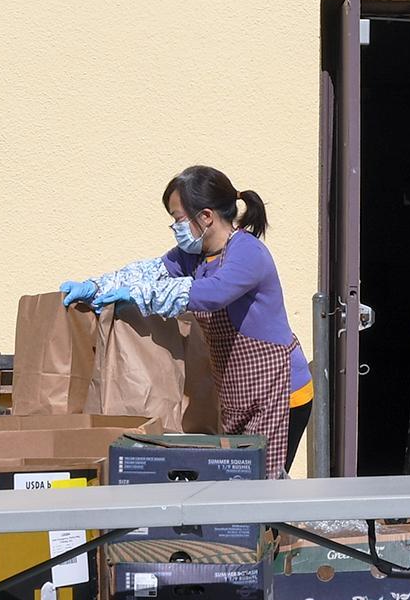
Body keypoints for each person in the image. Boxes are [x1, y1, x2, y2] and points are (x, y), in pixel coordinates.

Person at [65, 167, 312, 476]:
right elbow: (149, 272)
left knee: (261, 486)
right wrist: (97, 286)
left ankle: (280, 526)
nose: (175, 227)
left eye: (179, 219)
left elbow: (211, 294)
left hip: (282, 391)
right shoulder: (194, 255)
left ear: (205, 217)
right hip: (239, 393)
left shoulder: (248, 253)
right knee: (241, 483)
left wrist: (140, 296)